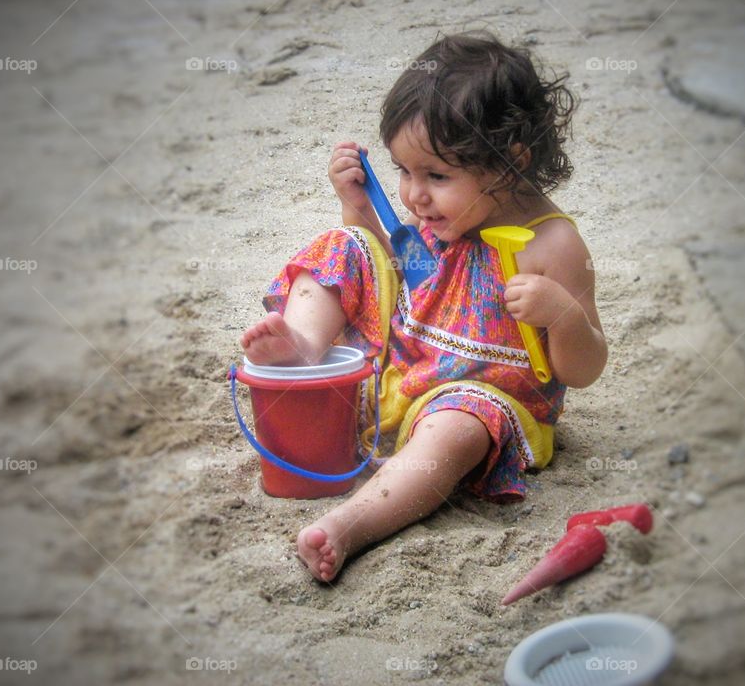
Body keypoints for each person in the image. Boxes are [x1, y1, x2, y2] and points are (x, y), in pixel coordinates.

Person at [240, 32, 607, 582]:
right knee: (346, 247)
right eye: (403, 171)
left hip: (479, 403)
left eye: (436, 175)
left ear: (511, 164)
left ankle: (352, 523)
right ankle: (305, 349)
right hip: (401, 369)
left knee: (457, 427)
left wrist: (561, 315)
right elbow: (402, 271)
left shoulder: (552, 246)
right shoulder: (440, 218)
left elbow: (586, 369)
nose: (414, 196)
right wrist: (357, 208)